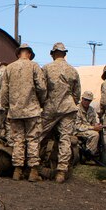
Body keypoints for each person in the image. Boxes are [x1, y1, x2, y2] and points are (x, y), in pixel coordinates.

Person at [0, 43, 47, 181]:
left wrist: (6, 106)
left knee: (18, 140)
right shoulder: (34, 66)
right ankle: (33, 171)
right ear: (30, 54)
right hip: (32, 110)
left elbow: (4, 91)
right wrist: (41, 102)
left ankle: (17, 170)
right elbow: (42, 87)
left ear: (18, 53)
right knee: (32, 139)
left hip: (15, 111)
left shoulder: (9, 68)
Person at [40, 42, 81, 183]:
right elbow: (77, 94)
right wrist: (70, 101)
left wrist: (44, 103)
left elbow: (41, 89)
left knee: (38, 134)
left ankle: (32, 165)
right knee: (65, 139)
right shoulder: (73, 70)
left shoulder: (46, 68)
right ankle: (61, 172)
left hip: (51, 107)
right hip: (68, 107)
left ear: (52, 54)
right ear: (65, 54)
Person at [74, 90, 102, 159]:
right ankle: (89, 153)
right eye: (85, 100)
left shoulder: (91, 110)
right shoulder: (77, 109)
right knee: (94, 134)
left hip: (87, 129)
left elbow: (94, 121)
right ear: (82, 99)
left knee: (102, 132)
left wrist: (97, 125)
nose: (87, 102)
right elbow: (77, 126)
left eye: (89, 100)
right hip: (78, 131)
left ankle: (98, 152)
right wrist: (93, 128)